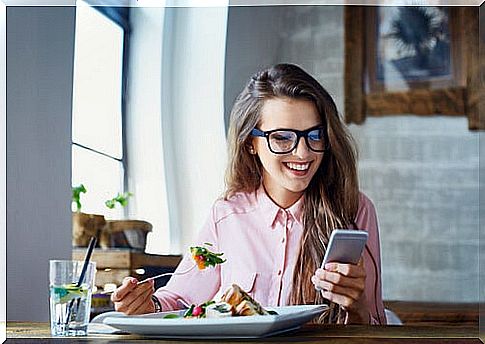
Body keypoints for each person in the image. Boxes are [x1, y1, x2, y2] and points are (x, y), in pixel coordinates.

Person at [111, 63, 386, 324]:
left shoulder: (355, 209)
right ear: (250, 143)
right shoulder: (227, 214)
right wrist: (146, 306)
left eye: (315, 135)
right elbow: (180, 298)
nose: (303, 153)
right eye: (281, 137)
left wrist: (357, 304)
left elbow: (375, 326)